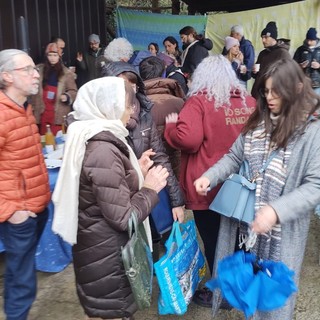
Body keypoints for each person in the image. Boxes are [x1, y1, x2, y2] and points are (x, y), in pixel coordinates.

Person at [194, 58, 320, 319]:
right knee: (251, 293)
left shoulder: (311, 132)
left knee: (275, 302)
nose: (269, 97)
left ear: (296, 88)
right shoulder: (257, 123)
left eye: (276, 91)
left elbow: (315, 185)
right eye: (266, 91)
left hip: (281, 235)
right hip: (249, 228)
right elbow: (233, 156)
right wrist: (210, 176)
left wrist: (275, 210)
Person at [52, 77, 169, 320]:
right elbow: (123, 218)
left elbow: (107, 189)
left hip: (98, 250)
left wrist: (135, 170)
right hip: (107, 258)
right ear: (109, 107)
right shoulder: (103, 149)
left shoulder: (94, 136)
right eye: (128, 105)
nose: (132, 112)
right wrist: (149, 189)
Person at [164, 54, 256, 307]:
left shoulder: (199, 102)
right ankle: (242, 284)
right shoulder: (248, 101)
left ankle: (225, 295)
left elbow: (189, 139)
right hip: (243, 186)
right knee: (242, 239)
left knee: (216, 242)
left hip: (208, 185)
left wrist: (171, 128)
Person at [101, 61, 185, 259]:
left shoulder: (145, 115)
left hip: (149, 196)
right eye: (122, 87)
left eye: (132, 85)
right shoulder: (101, 124)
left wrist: (177, 202)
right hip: (122, 205)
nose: (129, 92)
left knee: (158, 242)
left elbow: (161, 158)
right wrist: (136, 169)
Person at [0, 49, 51, 320]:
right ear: (6, 76)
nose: (36, 74)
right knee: (22, 281)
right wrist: (10, 210)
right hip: (19, 213)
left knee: (22, 273)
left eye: (35, 68)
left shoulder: (24, 108)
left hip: (36, 206)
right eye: (27, 69)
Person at [139, 55, 185, 179]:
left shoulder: (136, 104)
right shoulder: (180, 102)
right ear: (163, 72)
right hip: (177, 165)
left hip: (149, 167)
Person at [31, 42, 77, 135]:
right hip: (42, 110)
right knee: (43, 138)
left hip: (58, 112)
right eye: (50, 55)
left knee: (58, 139)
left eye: (55, 55)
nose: (52, 58)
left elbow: (73, 91)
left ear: (59, 56)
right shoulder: (38, 70)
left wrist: (67, 96)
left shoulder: (66, 73)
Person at [251, 21, 291, 99]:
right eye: (262, 37)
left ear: (273, 37)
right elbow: (256, 75)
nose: (263, 40)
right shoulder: (262, 53)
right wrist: (254, 72)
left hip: (273, 97)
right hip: (258, 95)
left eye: (266, 37)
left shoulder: (283, 54)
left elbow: (287, 78)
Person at [293, 27, 320, 96]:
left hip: (318, 85)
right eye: (308, 39)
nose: (309, 42)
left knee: (316, 104)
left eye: (311, 40)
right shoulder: (300, 49)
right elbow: (293, 65)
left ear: (315, 39)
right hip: (303, 83)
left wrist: (319, 66)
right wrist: (300, 66)